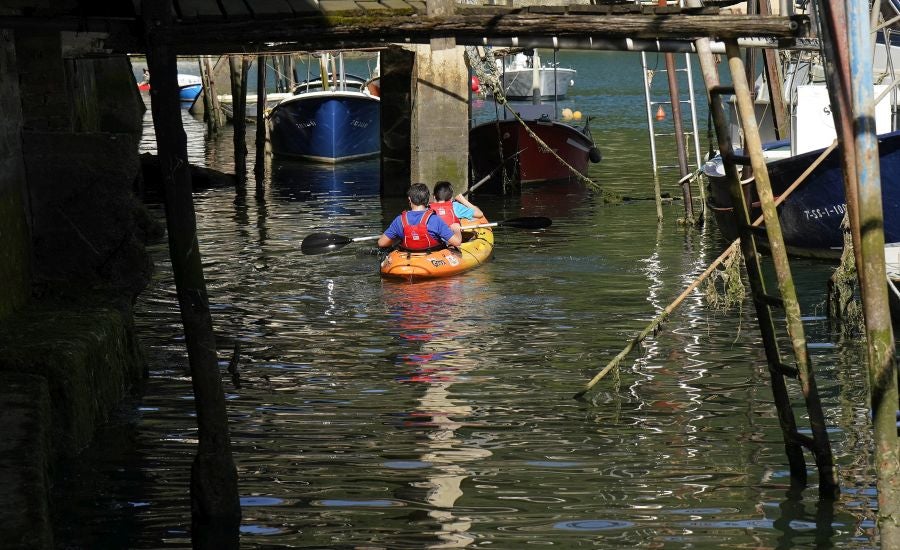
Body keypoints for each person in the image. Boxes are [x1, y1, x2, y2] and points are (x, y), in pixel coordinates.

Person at [378, 183, 462, 251]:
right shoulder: (435, 220)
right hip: (432, 258)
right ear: (428, 200)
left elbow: (381, 243)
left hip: (407, 259)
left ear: (409, 199)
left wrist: (397, 238)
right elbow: (457, 242)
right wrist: (456, 229)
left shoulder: (399, 220)